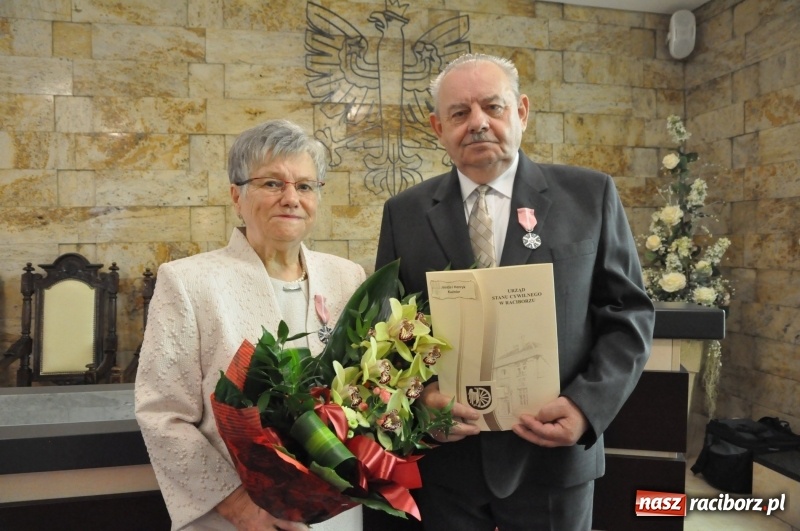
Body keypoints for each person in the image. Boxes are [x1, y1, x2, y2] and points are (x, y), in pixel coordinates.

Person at [370, 53, 655, 530]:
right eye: (460, 113)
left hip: (553, 459)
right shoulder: (404, 213)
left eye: (493, 107)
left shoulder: (590, 195)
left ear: (521, 111)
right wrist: (420, 398)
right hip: (445, 461)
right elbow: (388, 325)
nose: (478, 123)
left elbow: (629, 315)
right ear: (438, 127)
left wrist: (587, 407)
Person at [135, 120, 366, 531]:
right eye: (272, 184)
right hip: (239, 518)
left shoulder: (348, 277)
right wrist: (240, 506)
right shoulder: (189, 282)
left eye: (306, 186)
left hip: (338, 513)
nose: (291, 198)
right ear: (236, 196)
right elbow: (162, 411)